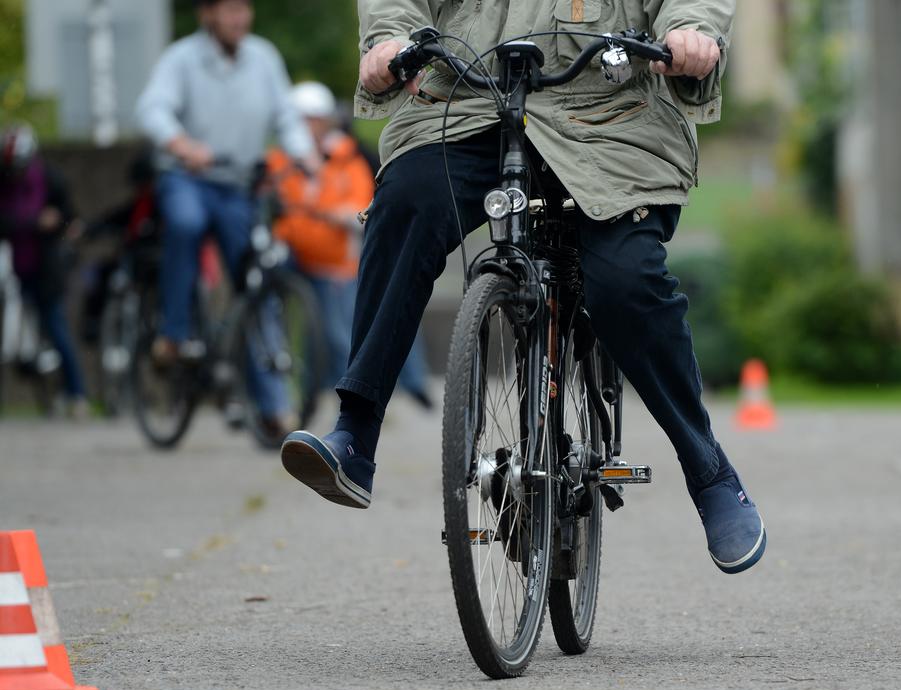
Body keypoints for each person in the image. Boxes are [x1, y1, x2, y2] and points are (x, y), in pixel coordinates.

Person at [282, 0, 764, 574]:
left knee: (625, 279)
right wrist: (390, 39)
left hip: (609, 119)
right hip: (468, 104)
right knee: (405, 204)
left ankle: (707, 470)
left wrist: (692, 32)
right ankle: (355, 437)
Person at [135, 0, 318, 438]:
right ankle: (174, 334)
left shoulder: (264, 57)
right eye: (228, 9)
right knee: (185, 223)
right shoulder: (182, 58)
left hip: (239, 186)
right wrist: (180, 144)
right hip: (189, 178)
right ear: (207, 14)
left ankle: (273, 406)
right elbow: (151, 109)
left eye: (244, 8)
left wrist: (301, 151)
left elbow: (286, 116)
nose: (239, 17)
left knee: (257, 282)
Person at [270, 81, 434, 407]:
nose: (308, 127)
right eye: (302, 119)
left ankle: (366, 396)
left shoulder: (347, 158)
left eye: (313, 119)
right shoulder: (281, 159)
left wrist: (332, 214)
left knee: (340, 331)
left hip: (334, 259)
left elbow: (359, 208)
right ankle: (296, 393)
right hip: (291, 252)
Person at [0, 124, 89, 417]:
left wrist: (57, 223)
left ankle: (77, 394)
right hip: (19, 265)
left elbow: (70, 222)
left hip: (48, 266)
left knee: (56, 325)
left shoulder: (50, 180)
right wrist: (31, 222)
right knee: (20, 327)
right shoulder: (5, 184)